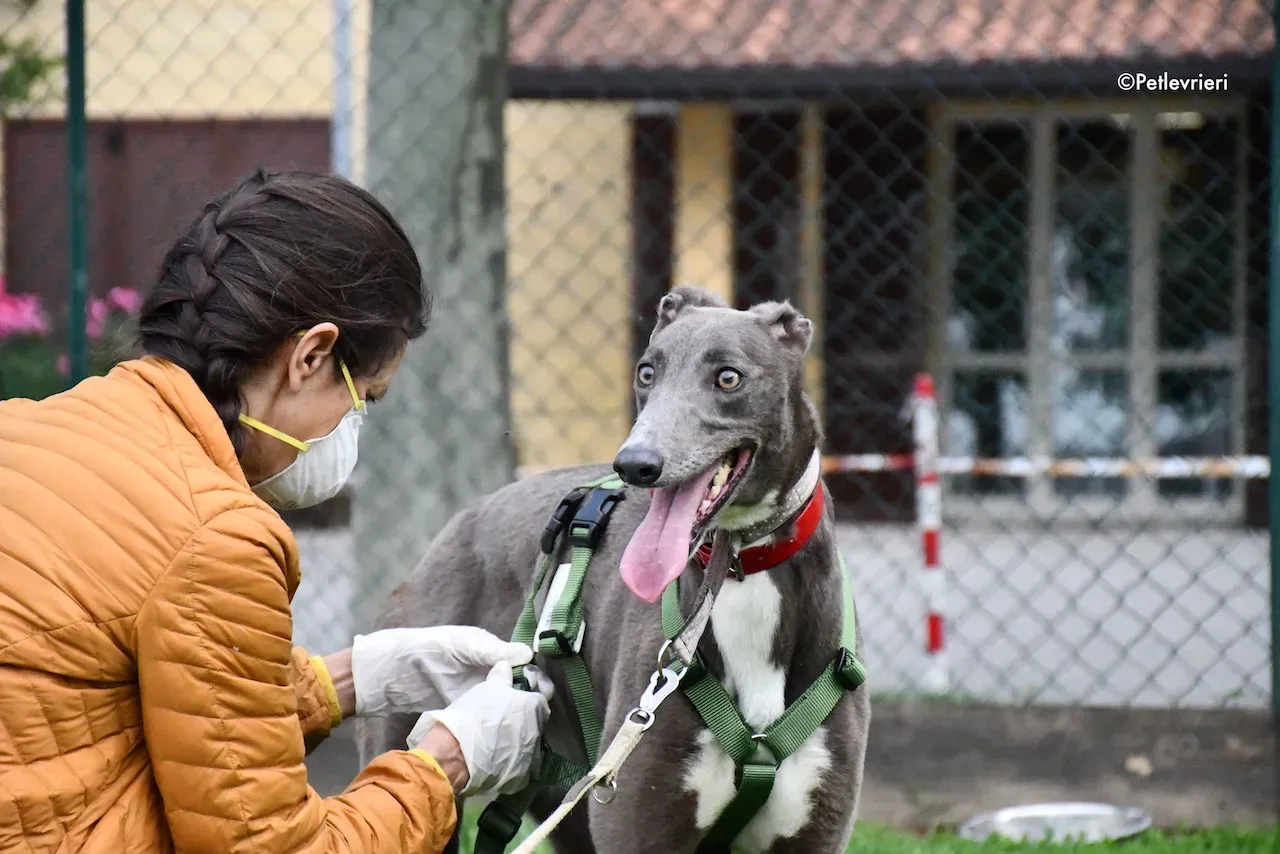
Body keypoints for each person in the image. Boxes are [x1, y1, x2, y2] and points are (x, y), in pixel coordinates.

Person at [0, 168, 550, 853]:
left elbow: (131, 710)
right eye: (365, 399)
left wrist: (355, 677)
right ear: (312, 355)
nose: (354, 426)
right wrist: (446, 762)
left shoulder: (27, 430)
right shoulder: (216, 537)